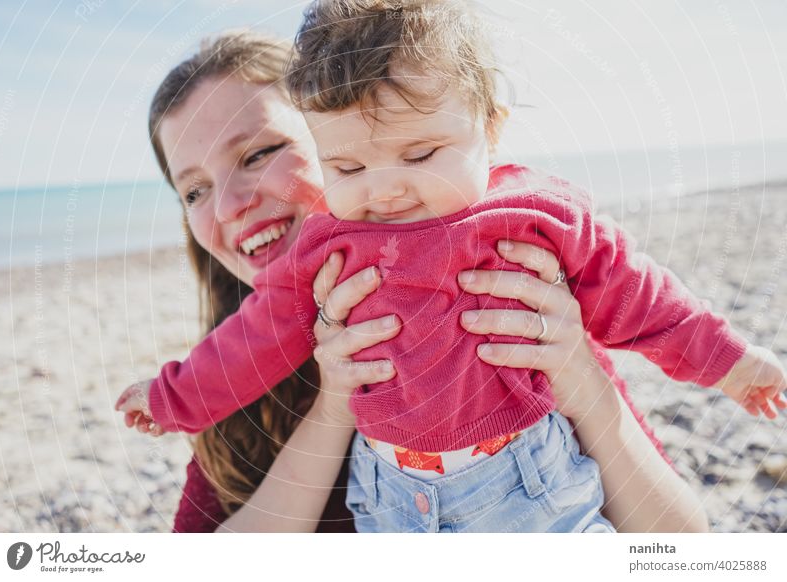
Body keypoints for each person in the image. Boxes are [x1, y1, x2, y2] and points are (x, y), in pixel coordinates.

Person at [130, 28, 722, 533]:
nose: (230, 204)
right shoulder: (220, 388)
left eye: (259, 152)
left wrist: (578, 374)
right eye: (194, 190)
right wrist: (337, 404)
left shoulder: (494, 300)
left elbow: (684, 547)